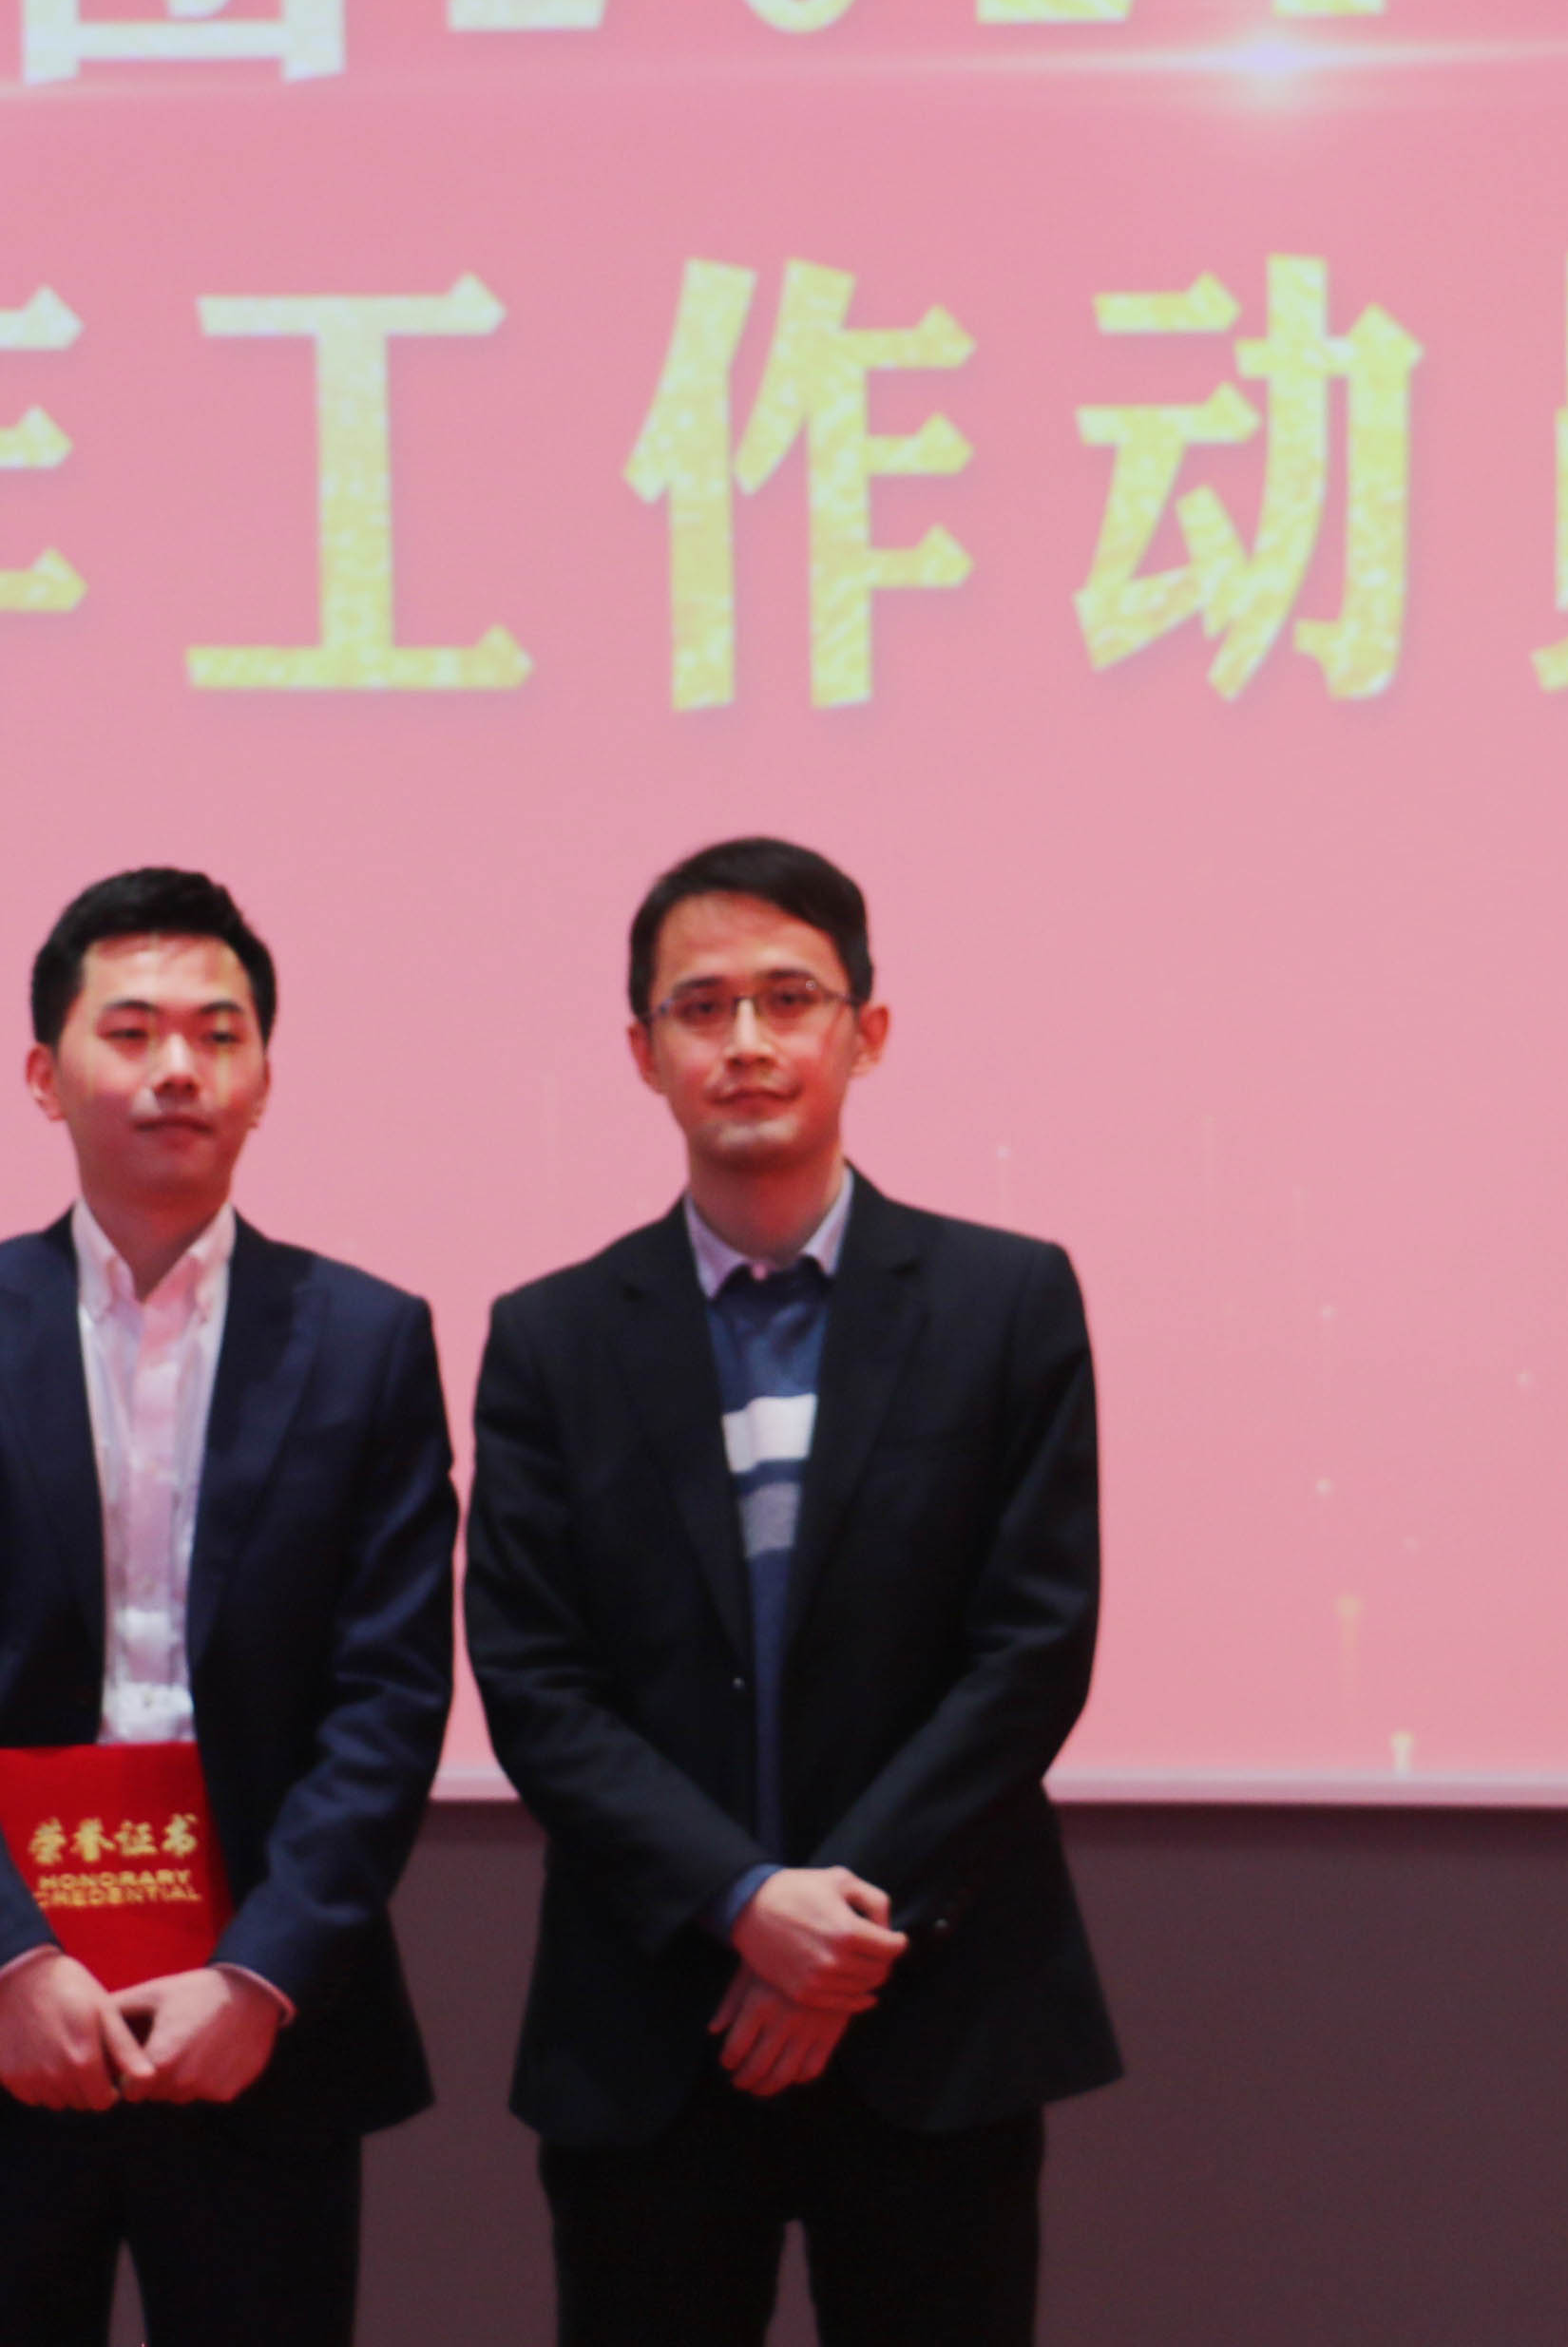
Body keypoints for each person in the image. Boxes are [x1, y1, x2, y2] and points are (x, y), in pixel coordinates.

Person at [464, 836, 1116, 2347]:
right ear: (644, 1053)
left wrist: (837, 1936)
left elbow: (1031, 1649)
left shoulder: (1005, 1302)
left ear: (865, 1032)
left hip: (934, 2012)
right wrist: (745, 1904)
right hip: (656, 2025)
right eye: (701, 1007)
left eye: (788, 998)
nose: (745, 1040)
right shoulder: (554, 1338)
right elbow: (535, 1681)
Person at [0, 867, 460, 2347]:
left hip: (260, 2028)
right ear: (46, 1077)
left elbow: (390, 1696)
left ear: (265, 1077)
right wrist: (6, 1965)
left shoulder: (366, 1341)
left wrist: (264, 1974)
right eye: (133, 1031)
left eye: (221, 1034)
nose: (180, 1067)